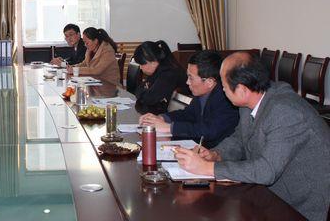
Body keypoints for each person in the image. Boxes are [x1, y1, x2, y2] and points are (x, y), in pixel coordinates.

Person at [174, 52, 330, 221]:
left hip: (300, 206)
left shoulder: (285, 111)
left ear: (242, 90)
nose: (222, 90)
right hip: (268, 195)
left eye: (224, 86)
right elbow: (239, 140)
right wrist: (215, 155)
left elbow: (266, 170)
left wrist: (207, 168)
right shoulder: (250, 102)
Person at [139, 50, 238, 148]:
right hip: (199, 147)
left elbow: (209, 130)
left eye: (191, 78)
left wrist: (170, 128)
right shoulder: (201, 93)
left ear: (209, 82)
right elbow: (188, 114)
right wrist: (162, 118)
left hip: (217, 152)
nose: (187, 82)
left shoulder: (226, 99)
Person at [133, 40, 187, 115]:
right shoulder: (158, 70)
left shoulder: (168, 74)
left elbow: (149, 99)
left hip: (176, 116)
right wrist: (143, 95)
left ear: (153, 62)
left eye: (142, 64)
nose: (141, 68)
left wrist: (143, 95)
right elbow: (139, 89)